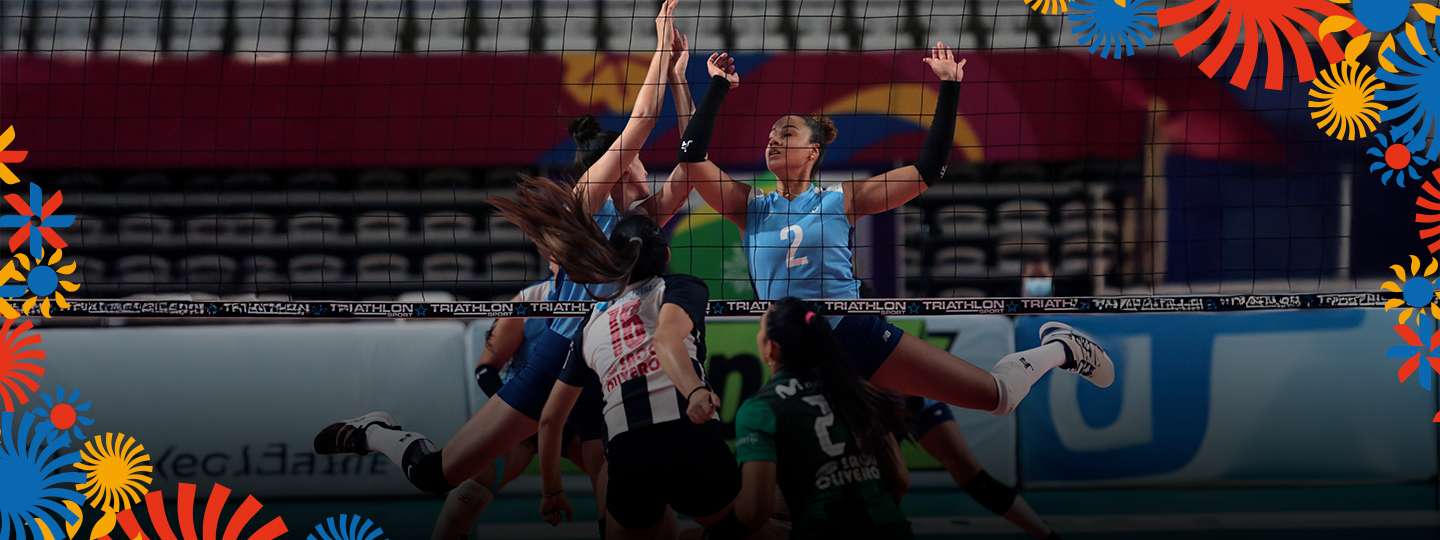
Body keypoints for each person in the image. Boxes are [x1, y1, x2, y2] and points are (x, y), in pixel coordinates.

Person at [312, 2, 690, 538]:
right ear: (619, 166)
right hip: (560, 356)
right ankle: (378, 432)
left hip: (613, 359)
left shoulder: (644, 218)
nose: (646, 165)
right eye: (635, 160)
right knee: (435, 475)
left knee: (633, 506)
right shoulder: (588, 200)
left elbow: (693, 164)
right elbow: (641, 123)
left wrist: (682, 80)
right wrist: (659, 46)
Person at [672, 42, 1115, 419]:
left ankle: (1060, 348)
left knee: (995, 398)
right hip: (789, 344)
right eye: (769, 134)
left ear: (813, 151)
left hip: (850, 332)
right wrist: (712, 87)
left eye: (785, 133)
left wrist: (950, 86)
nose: (771, 139)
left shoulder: (841, 199)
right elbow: (692, 158)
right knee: (809, 466)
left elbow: (928, 170)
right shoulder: (749, 206)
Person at [488, 175, 740, 539]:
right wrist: (696, 392)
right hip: (688, 432)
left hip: (627, 453)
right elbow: (667, 340)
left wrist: (552, 491)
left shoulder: (589, 322)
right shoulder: (681, 286)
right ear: (666, 255)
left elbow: (549, 421)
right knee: (743, 525)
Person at [709, 297, 911, 539]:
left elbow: (754, 513)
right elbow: (899, 481)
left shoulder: (760, 410)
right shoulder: (859, 390)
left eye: (760, 330)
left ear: (771, 348)